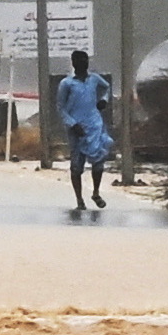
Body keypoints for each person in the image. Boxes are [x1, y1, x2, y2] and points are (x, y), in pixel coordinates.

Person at [52, 48, 117, 214]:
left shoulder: (94, 79)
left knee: (99, 160)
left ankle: (96, 192)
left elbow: (107, 87)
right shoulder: (67, 84)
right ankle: (79, 200)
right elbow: (60, 108)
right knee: (76, 165)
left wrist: (103, 100)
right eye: (79, 61)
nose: (83, 63)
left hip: (95, 124)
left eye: (85, 60)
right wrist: (72, 124)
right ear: (73, 63)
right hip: (77, 128)